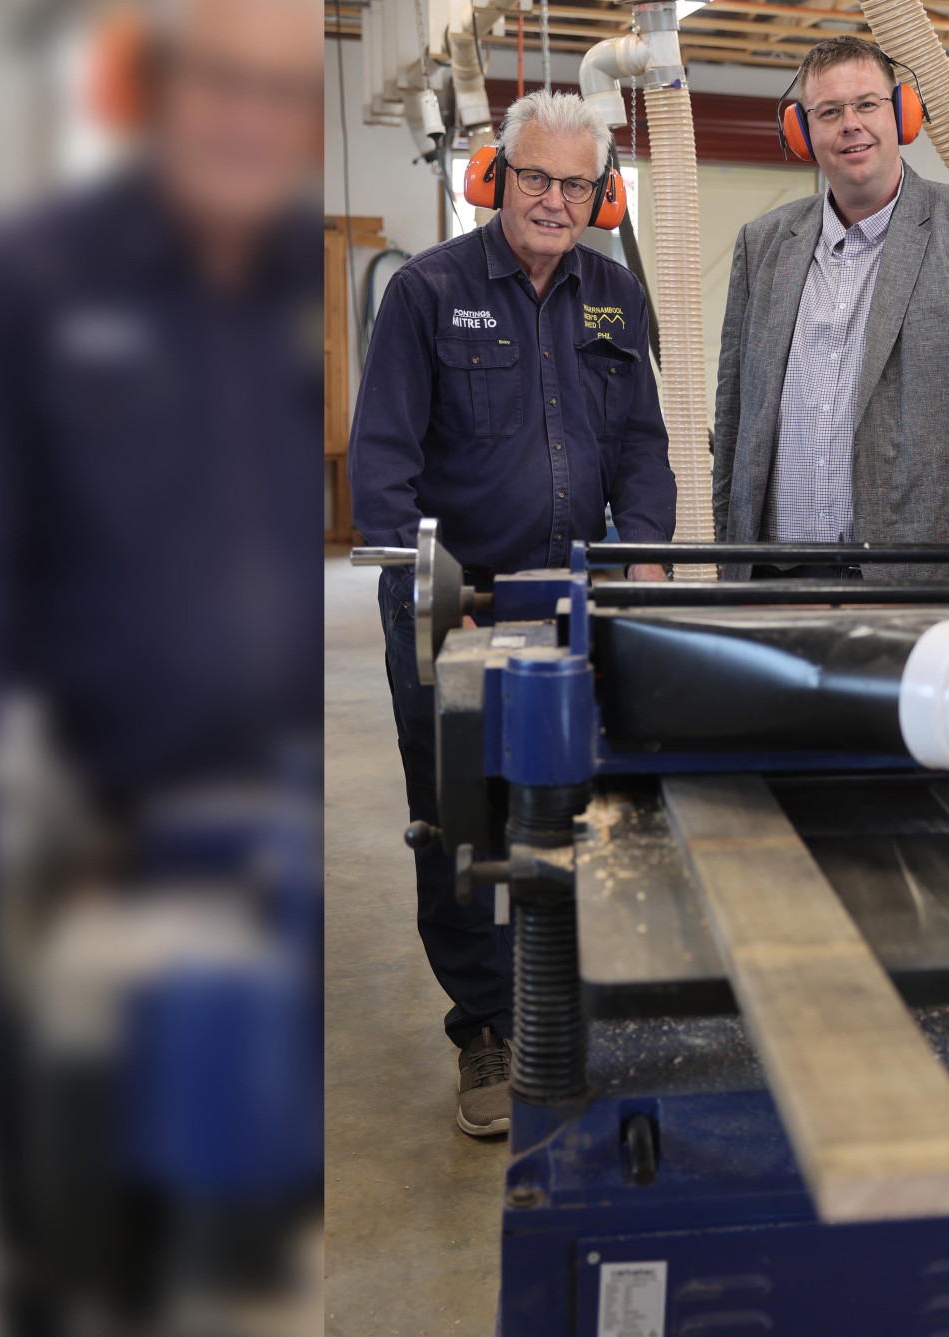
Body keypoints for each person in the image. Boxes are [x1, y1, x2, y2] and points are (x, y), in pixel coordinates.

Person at [0, 0, 327, 1337]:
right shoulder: (29, 281)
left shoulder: (295, 285)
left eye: (285, 93)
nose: (255, 119)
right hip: (63, 834)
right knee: (70, 1227)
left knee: (237, 1212)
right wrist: (20, 798)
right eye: (225, 83)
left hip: (254, 825)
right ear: (155, 87)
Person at [349, 90, 675, 1138]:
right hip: (459, 607)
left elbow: (639, 447)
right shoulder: (428, 293)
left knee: (578, 804)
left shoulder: (617, 296)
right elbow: (384, 454)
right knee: (456, 819)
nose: (554, 199)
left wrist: (647, 562)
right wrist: (423, 592)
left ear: (600, 193)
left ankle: (565, 998)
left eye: (576, 184)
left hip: (575, 597)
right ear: (494, 177)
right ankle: (485, 1023)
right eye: (534, 177)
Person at [712, 34, 949, 579]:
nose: (850, 123)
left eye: (867, 104)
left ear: (902, 116)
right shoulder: (762, 244)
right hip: (775, 579)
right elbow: (733, 422)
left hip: (927, 577)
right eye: (828, 112)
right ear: (803, 132)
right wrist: (731, 568)